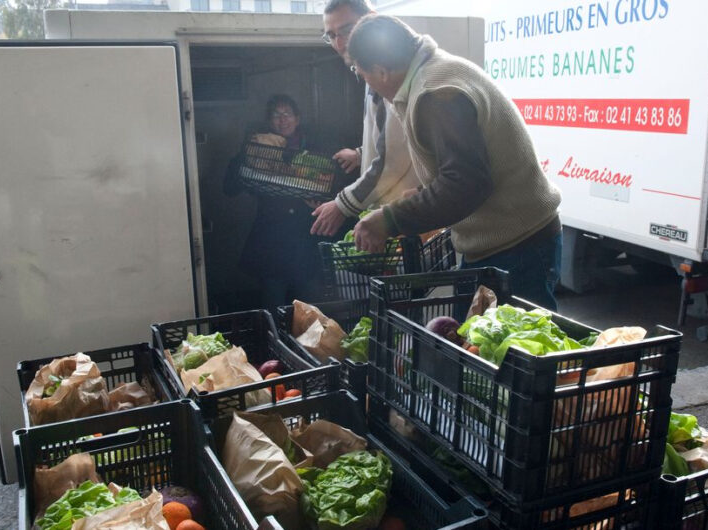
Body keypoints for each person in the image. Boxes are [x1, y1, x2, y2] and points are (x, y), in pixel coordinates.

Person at [347, 15, 564, 310]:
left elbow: (465, 183)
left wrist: (390, 219)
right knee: (469, 343)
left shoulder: (436, 93)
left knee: (508, 351)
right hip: (500, 244)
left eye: (361, 74)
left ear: (382, 71)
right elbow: (462, 168)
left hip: (518, 247)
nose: (367, 84)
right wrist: (422, 195)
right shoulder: (434, 72)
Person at [310, 0, 420, 237]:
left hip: (409, 219)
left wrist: (342, 205)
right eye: (331, 35)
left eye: (347, 30)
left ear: (371, 19)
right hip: (396, 216)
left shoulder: (391, 72)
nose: (340, 43)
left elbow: (393, 159)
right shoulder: (371, 71)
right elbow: (391, 136)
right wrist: (361, 154)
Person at [224, 94, 333, 311]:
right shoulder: (259, 148)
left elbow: (332, 185)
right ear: (269, 122)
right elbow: (230, 187)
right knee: (272, 303)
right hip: (271, 238)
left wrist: (320, 202)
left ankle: (307, 345)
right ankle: (274, 343)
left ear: (297, 118)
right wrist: (245, 153)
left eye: (287, 114)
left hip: (306, 237)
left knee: (309, 305)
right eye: (276, 116)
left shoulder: (314, 146)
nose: (282, 120)